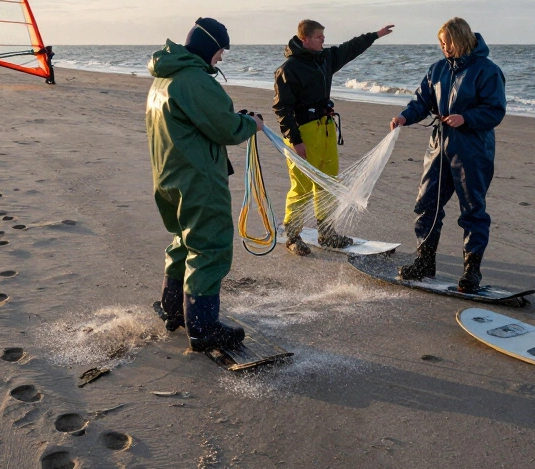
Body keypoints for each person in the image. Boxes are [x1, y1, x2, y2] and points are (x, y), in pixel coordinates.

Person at [147, 18, 264, 352]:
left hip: (169, 177)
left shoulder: (164, 78)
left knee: (184, 239)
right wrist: (250, 124)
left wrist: (236, 120)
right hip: (197, 179)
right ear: (207, 47)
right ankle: (202, 327)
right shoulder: (194, 80)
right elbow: (225, 127)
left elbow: (202, 121)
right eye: (219, 51)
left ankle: (173, 309)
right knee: (210, 246)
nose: (221, 59)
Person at [391, 18, 506, 292]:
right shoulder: (438, 70)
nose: (444, 48)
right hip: (438, 148)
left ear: (460, 39)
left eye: (448, 43)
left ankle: (472, 271)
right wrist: (405, 117)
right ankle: (424, 261)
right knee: (426, 204)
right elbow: (422, 101)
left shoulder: (488, 71)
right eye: (441, 43)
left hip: (473, 150)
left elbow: (495, 110)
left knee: (473, 211)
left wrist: (465, 118)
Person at [273, 19, 395, 255]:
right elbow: (282, 109)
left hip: (326, 128)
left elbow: (350, 48)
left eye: (323, 37)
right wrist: (295, 140)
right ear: (304, 39)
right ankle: (292, 235)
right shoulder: (287, 70)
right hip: (303, 133)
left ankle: (327, 233)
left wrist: (375, 35)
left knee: (329, 182)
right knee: (302, 186)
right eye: (318, 37)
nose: (323, 41)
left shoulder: (325, 59)